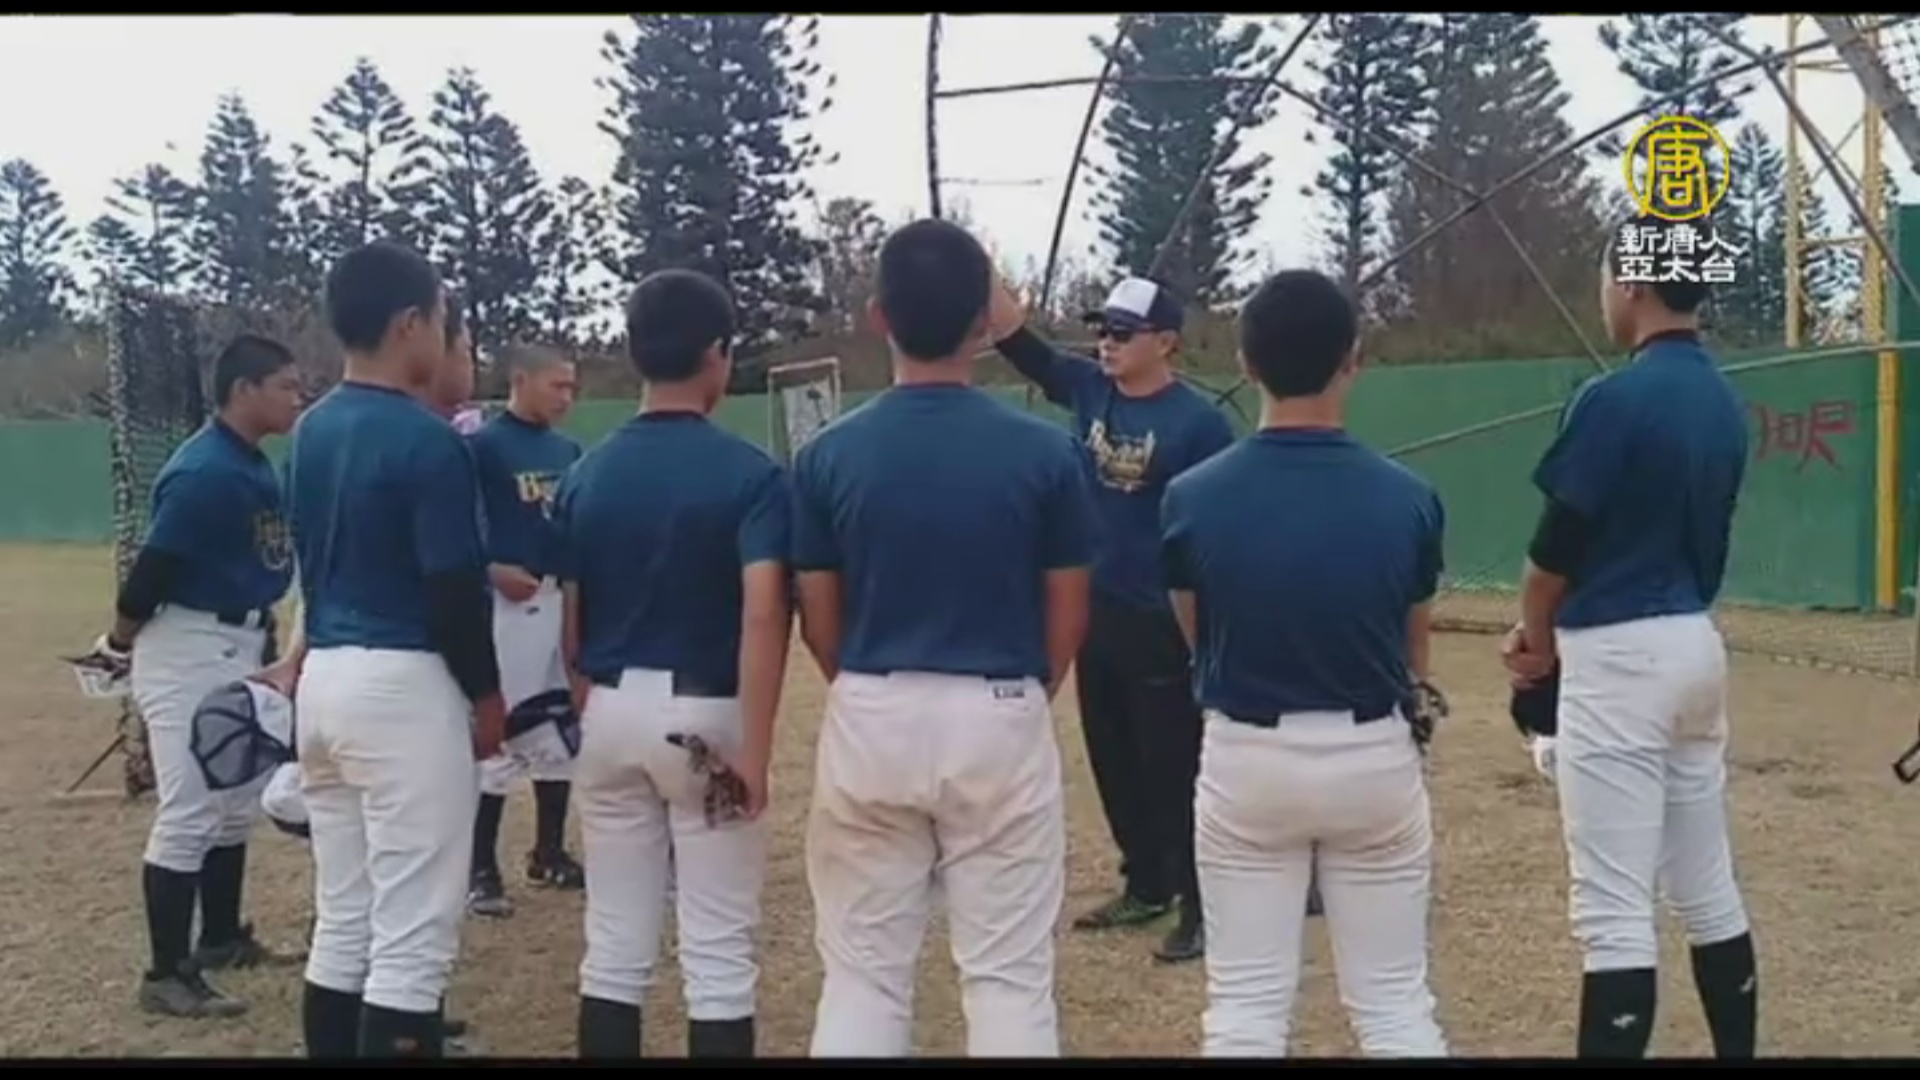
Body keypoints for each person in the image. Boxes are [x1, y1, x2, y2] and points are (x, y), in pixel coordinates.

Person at [794, 218, 1096, 1057]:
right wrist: (1027, 689)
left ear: (878, 317)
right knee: (1007, 978)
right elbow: (1069, 606)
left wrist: (861, 682)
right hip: (1000, 703)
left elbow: (819, 611)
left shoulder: (826, 456)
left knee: (863, 977)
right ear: (984, 324)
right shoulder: (1048, 453)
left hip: (872, 701)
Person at [1160, 269, 1448, 1058]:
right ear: (1353, 359)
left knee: (1245, 1010)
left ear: (1246, 363)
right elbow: (1413, 648)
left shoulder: (1190, 496)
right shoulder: (1409, 497)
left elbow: (1196, 632)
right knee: (1395, 1007)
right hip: (1373, 750)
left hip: (1246, 751)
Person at [1503, 215, 1756, 1060]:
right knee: (1708, 889)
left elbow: (1552, 554)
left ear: (1635, 284)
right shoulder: (1722, 400)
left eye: (1609, 276)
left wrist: (1534, 640)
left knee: (1613, 913)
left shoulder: (1613, 398)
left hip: (1619, 656)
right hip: (1694, 644)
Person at [559, 269, 789, 1059]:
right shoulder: (751, 473)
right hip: (706, 708)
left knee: (613, 948)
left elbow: (570, 609)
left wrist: (586, 695)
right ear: (718, 353)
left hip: (608, 703)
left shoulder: (587, 470)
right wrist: (755, 748)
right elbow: (764, 610)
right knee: (718, 955)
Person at [285, 241, 506, 1059]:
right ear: (411, 322)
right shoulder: (428, 440)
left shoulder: (310, 428)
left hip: (325, 677)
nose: (445, 335)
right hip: (403, 683)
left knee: (345, 920)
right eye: (441, 318)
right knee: (413, 935)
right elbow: (452, 587)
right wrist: (486, 696)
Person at [987, 274, 1235, 961]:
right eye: (1101, 329)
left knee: (1174, 765)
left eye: (1122, 333)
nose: (1106, 343)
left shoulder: (1199, 424)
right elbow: (1018, 342)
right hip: (1097, 612)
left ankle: (1202, 904)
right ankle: (1147, 882)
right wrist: (973, 269)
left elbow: (1219, 522)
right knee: (1114, 758)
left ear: (1167, 342)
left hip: (1163, 620)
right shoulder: (1090, 391)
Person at [91, 333, 304, 1018]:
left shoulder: (251, 462)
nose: (297, 397)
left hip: (237, 637)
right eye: (285, 385)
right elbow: (152, 570)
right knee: (191, 806)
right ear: (244, 390)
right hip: (188, 641)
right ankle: (165, 973)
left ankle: (219, 938)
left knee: (235, 796)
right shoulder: (205, 470)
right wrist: (118, 644)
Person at [467, 345, 587, 917]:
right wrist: (489, 568)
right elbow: (456, 526)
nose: (567, 397)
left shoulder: (568, 451)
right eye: (556, 385)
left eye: (571, 387)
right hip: (507, 603)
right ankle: (480, 868)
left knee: (558, 727)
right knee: (501, 727)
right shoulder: (483, 447)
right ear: (521, 379)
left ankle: (548, 851)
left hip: (558, 595)